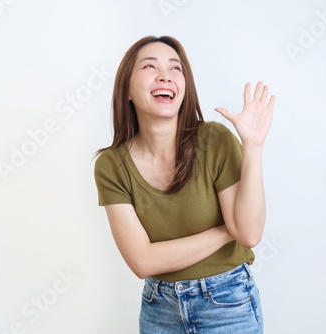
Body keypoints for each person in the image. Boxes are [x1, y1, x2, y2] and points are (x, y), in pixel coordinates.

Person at [94, 35, 275, 334]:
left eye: (175, 68)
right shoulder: (112, 165)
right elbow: (142, 261)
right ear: (126, 88)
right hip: (158, 309)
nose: (165, 75)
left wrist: (253, 147)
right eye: (150, 66)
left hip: (227, 302)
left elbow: (250, 233)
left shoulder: (214, 140)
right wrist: (228, 230)